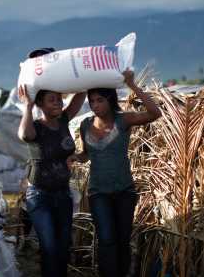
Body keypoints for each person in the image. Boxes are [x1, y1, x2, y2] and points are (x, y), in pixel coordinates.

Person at [67, 70, 161, 277]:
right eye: (91, 101)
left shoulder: (123, 121)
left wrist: (132, 85)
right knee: (106, 239)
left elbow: (155, 113)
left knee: (122, 239)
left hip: (124, 191)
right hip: (98, 192)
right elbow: (86, 154)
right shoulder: (85, 125)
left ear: (110, 100)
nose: (95, 105)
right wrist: (75, 157)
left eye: (99, 100)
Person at [18, 47, 86, 277]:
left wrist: (82, 72)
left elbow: (80, 95)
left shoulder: (65, 120)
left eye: (59, 99)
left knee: (63, 247)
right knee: (49, 246)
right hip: (40, 196)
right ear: (41, 104)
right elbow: (24, 135)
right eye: (52, 100)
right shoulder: (35, 127)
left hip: (63, 195)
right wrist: (27, 106)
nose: (58, 103)